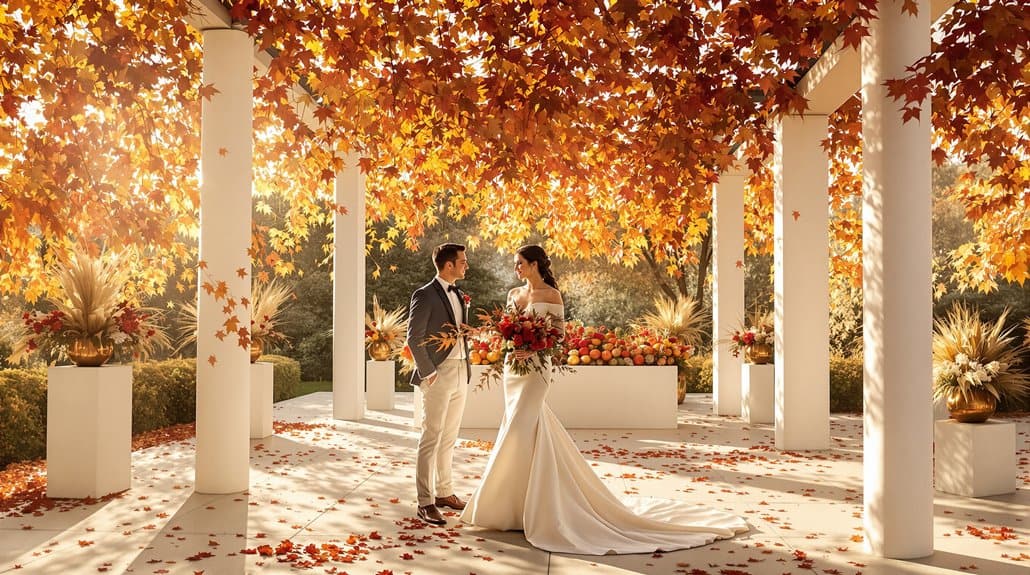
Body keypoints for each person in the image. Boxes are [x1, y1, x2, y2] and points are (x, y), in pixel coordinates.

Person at [460, 244, 748, 554]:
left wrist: (532, 348)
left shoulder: (552, 296)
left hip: (537, 368)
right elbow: (506, 331)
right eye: (515, 264)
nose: (516, 268)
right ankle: (514, 506)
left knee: (520, 427)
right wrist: (512, 345)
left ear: (534, 264)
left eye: (520, 263)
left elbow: (558, 337)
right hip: (513, 368)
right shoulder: (514, 294)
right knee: (520, 428)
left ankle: (529, 504)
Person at [406, 243, 472, 526]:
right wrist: (429, 372)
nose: (466, 265)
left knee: (449, 437)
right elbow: (414, 337)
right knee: (431, 436)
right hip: (438, 373)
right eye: (462, 261)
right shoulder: (424, 294)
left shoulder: (459, 293)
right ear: (448, 265)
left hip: (461, 371)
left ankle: (444, 493)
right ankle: (425, 502)